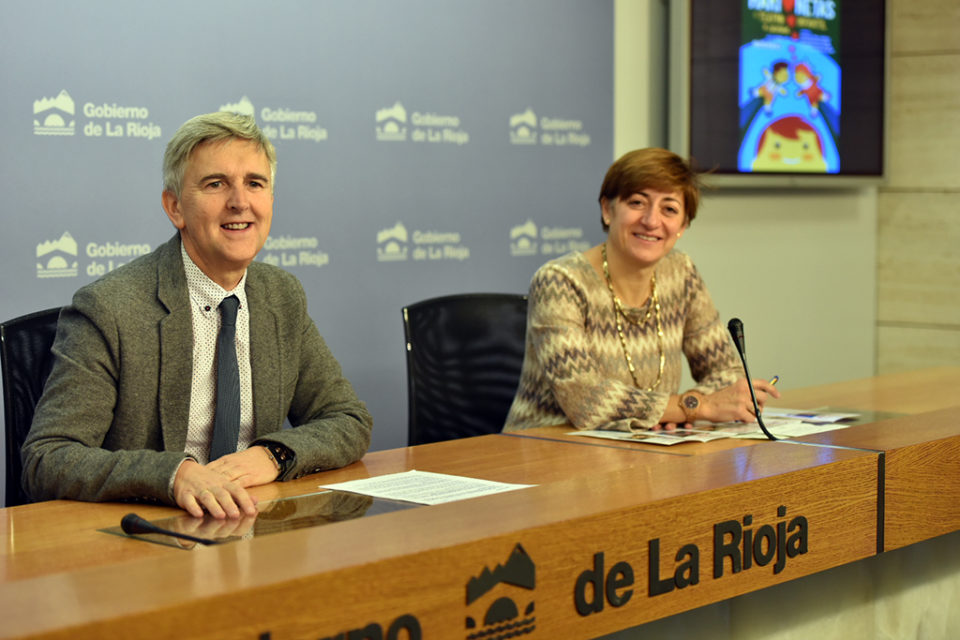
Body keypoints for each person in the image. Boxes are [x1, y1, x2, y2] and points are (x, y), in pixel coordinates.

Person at [22, 112, 373, 518]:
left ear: (270, 202)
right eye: (216, 184)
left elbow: (348, 418)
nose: (240, 201)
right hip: (148, 543)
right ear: (175, 207)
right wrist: (174, 475)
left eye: (254, 184)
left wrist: (274, 455)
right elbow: (47, 457)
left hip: (251, 529)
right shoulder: (111, 308)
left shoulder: (281, 296)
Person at [503, 148, 778, 433]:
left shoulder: (680, 272)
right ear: (608, 210)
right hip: (547, 451)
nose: (651, 220)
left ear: (683, 225)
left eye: (669, 209)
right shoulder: (560, 282)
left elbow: (726, 373)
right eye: (637, 202)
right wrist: (695, 407)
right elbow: (586, 400)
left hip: (641, 447)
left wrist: (679, 410)